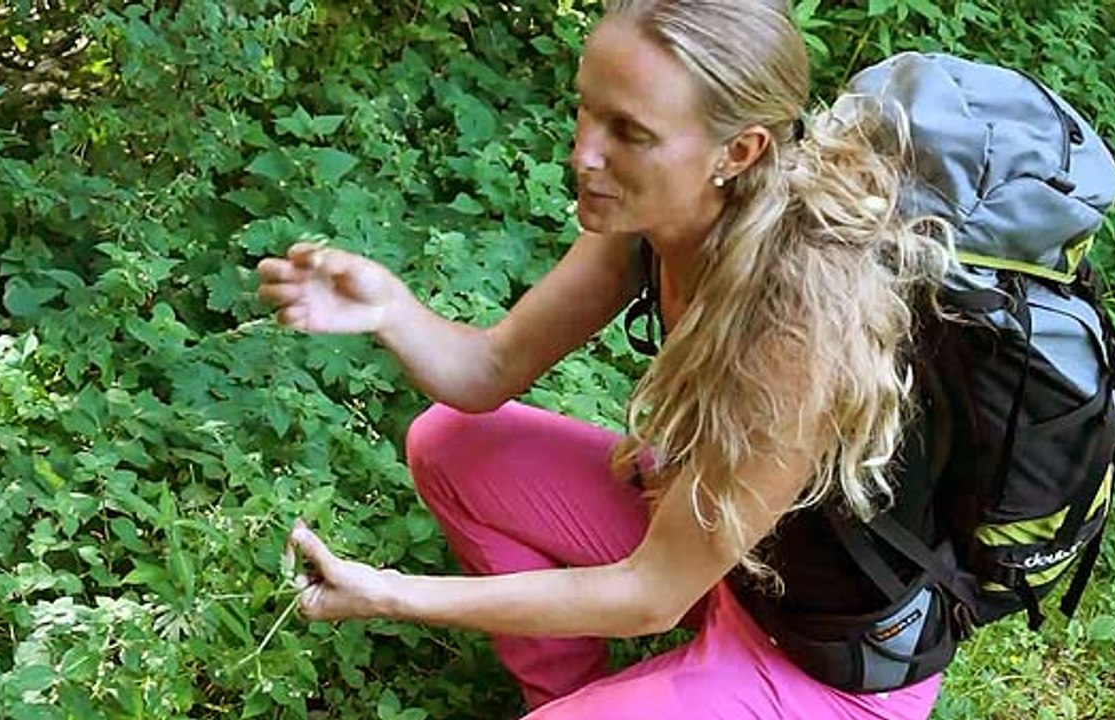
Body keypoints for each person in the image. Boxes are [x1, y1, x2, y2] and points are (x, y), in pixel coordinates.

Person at [257, 0, 948, 717]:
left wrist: (393, 593)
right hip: (719, 560)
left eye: (631, 133)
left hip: (820, 656)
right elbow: (487, 372)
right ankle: (570, 698)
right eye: (588, 109)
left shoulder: (796, 325)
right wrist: (390, 310)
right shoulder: (648, 220)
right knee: (451, 445)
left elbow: (652, 594)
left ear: (737, 152)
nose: (584, 153)